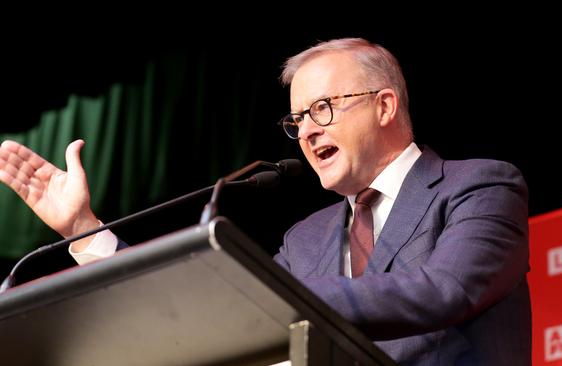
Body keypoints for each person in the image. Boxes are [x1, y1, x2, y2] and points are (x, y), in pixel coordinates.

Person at [0, 38, 531, 365]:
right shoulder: (306, 240)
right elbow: (215, 314)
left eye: (322, 108)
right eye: (297, 120)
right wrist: (84, 231)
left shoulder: (479, 186)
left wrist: (274, 295)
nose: (306, 131)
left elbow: (445, 290)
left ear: (385, 105)